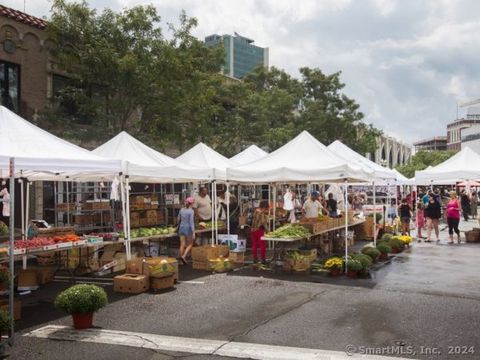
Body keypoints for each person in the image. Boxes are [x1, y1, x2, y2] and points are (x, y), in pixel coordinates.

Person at [178, 197, 195, 264]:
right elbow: (191, 222)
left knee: (182, 244)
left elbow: (178, 219)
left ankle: (181, 259)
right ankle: (184, 256)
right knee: (190, 244)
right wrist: (193, 232)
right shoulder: (191, 211)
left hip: (181, 227)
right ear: (191, 203)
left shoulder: (181, 210)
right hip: (188, 228)